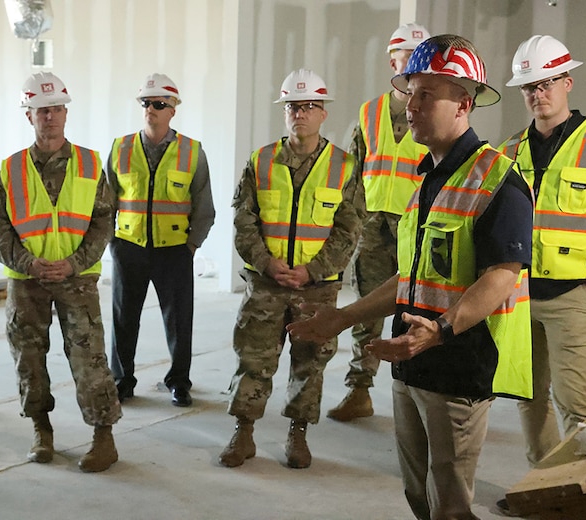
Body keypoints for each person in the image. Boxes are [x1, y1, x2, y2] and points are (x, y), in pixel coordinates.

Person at [287, 35, 534, 518]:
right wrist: (343, 317)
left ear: (464, 103)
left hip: (457, 368)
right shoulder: (428, 179)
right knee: (418, 495)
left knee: (451, 505)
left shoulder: (497, 180)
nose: (410, 107)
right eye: (410, 93)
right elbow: (411, 277)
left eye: (426, 95)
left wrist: (438, 332)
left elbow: (500, 277)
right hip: (409, 362)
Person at [496, 35, 586, 514]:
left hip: (571, 296)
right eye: (530, 85)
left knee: (576, 406)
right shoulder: (509, 149)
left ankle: (585, 501)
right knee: (528, 400)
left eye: (548, 81)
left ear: (567, 82)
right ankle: (545, 490)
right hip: (516, 297)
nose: (539, 92)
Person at [218, 69, 361, 470]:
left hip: (316, 289)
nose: (301, 113)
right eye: (293, 106)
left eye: (309, 106)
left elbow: (350, 229)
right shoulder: (260, 160)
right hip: (266, 283)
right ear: (285, 112)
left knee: (310, 362)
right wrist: (267, 263)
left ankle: (298, 435)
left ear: (323, 113)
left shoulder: (343, 166)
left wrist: (312, 271)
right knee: (253, 358)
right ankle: (243, 433)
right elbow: (243, 220)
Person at [0, 72, 121, 473]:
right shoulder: (10, 168)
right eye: (42, 110)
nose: (50, 117)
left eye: (57, 109)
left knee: (89, 359)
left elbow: (104, 221)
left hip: (76, 280)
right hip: (27, 281)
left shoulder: (90, 163)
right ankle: (41, 431)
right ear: (28, 115)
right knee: (28, 358)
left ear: (66, 113)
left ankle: (103, 438)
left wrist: (74, 263)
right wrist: (27, 263)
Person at [327, 22, 430, 422]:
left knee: (416, 314)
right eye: (410, 57)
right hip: (371, 228)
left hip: (415, 229)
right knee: (367, 312)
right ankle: (359, 391)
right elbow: (353, 174)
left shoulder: (433, 109)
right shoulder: (369, 112)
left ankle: (416, 397)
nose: (417, 65)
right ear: (393, 61)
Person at [107, 73, 215, 407]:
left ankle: (179, 381)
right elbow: (105, 202)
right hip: (129, 247)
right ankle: (121, 380)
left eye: (158, 104)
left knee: (179, 321)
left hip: (174, 251)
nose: (150, 110)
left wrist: (191, 246)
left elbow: (203, 206)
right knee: (124, 320)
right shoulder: (120, 148)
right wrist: (113, 242)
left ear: (173, 110)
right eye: (146, 103)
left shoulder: (192, 152)